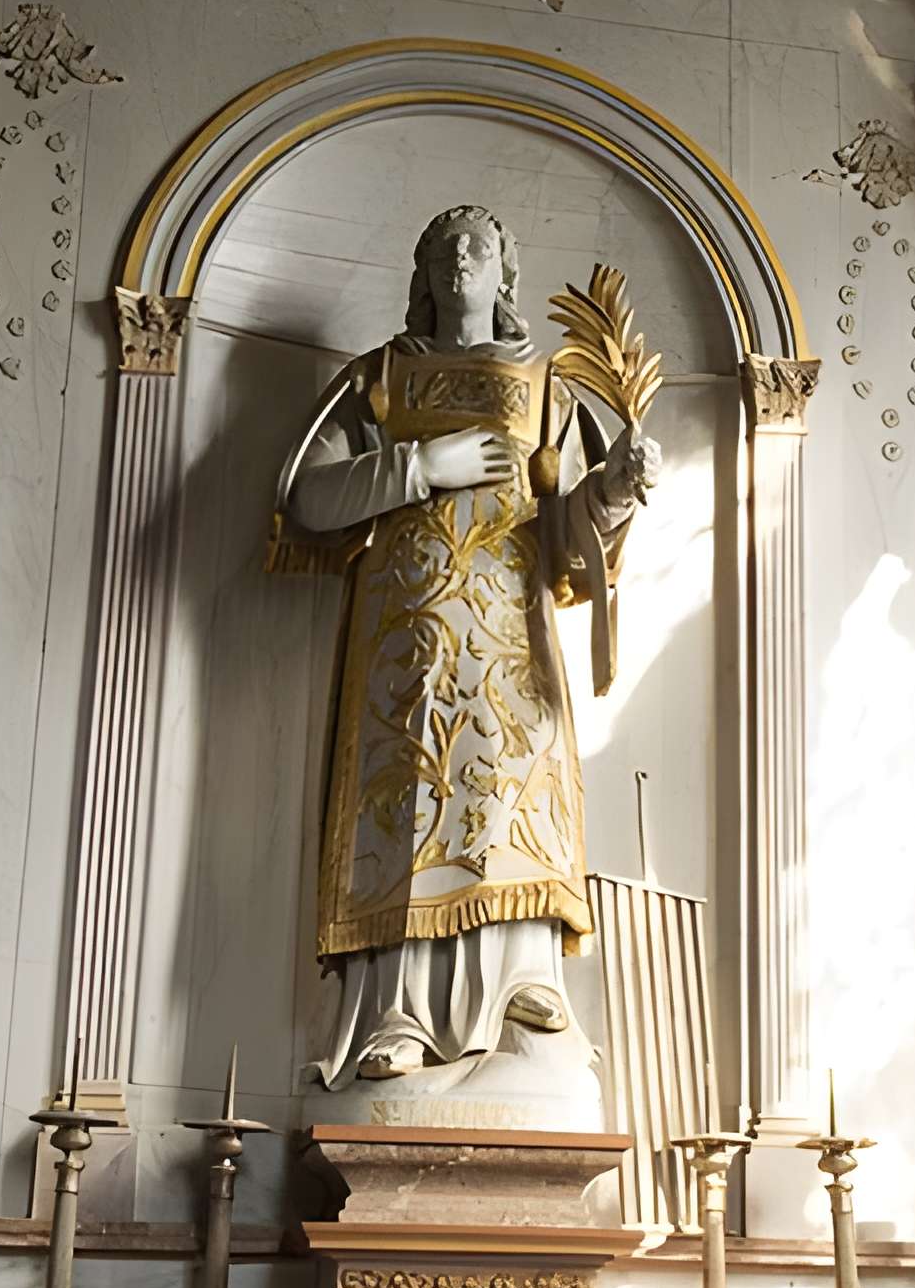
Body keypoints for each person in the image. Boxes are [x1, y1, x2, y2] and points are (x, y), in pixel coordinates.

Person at [272, 204, 658, 1094]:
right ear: (421, 273)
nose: (460, 258)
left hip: (511, 642)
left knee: (507, 793)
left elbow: (570, 534)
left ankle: (522, 982)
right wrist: (420, 468)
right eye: (442, 246)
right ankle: (397, 1015)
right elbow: (307, 498)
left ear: (504, 271)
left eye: (478, 245)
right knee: (408, 806)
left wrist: (614, 490)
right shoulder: (381, 380)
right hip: (405, 646)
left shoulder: (546, 385)